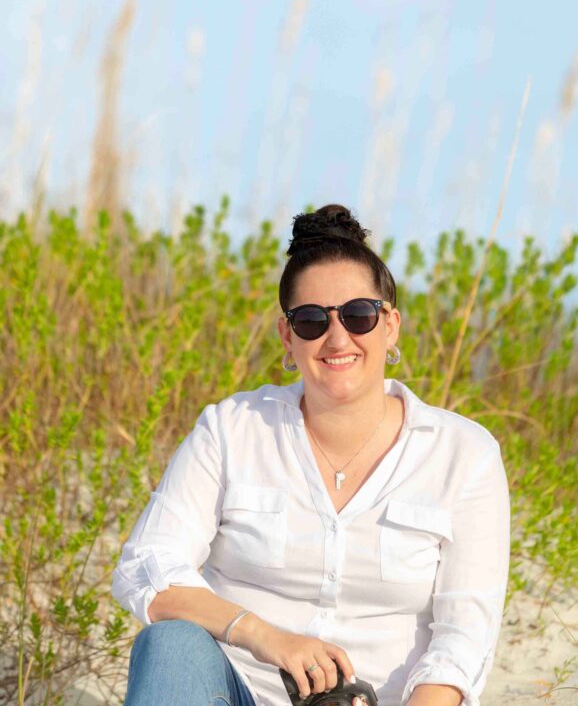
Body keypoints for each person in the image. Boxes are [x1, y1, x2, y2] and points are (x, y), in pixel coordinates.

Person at [111, 204, 510, 706]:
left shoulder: (463, 454)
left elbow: (463, 639)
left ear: (390, 327)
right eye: (311, 320)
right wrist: (263, 636)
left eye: (360, 315)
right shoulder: (232, 429)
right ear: (287, 336)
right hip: (238, 691)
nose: (337, 337)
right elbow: (147, 567)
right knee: (169, 645)